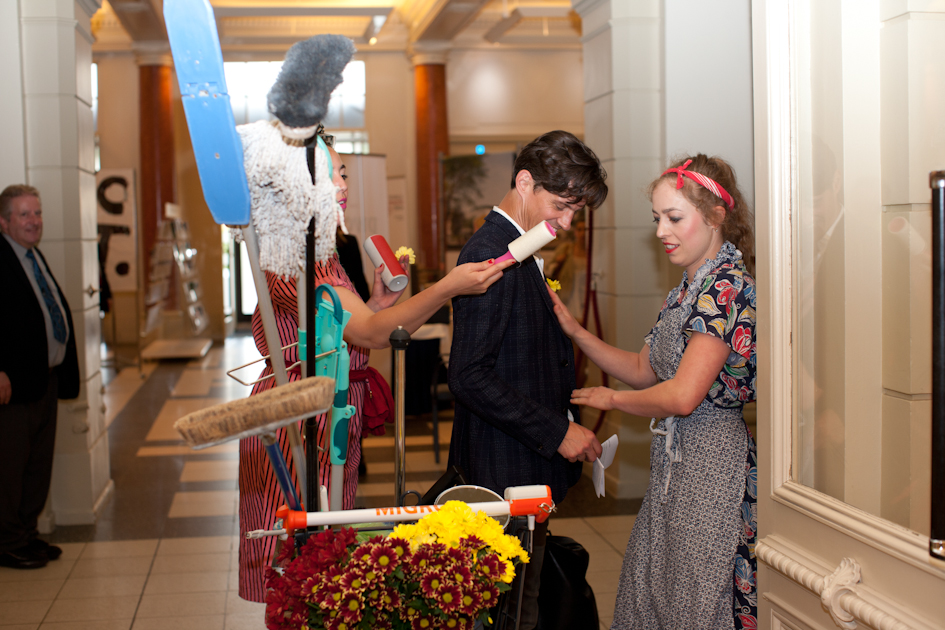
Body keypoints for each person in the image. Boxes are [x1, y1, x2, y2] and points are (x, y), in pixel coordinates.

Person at [238, 135, 515, 602]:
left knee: (326, 556)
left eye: (343, 172)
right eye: (332, 172)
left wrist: (378, 304)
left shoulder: (320, 249)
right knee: (297, 571)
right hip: (294, 426)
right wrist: (447, 287)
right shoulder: (291, 257)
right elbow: (368, 334)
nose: (342, 182)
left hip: (327, 414)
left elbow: (344, 326)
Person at [550, 154, 757, 629]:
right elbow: (646, 369)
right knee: (655, 588)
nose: (662, 231)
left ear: (716, 216)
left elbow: (682, 396)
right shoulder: (687, 287)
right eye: (657, 218)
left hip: (711, 465)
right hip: (676, 465)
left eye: (674, 218)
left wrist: (612, 399)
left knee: (694, 597)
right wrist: (575, 331)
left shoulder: (726, 289)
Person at [447, 130, 608, 630]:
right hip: (503, 472)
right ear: (524, 182)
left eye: (576, 212)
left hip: (522, 467)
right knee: (510, 612)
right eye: (561, 205)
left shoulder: (521, 246)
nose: (566, 221)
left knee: (524, 606)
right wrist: (557, 431)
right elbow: (468, 374)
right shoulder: (490, 254)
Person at [0, 185, 79, 569]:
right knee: (9, 467)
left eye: (37, 213)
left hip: (43, 379)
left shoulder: (31, 255)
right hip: (12, 387)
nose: (34, 222)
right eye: (24, 215)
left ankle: (27, 535)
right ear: (4, 221)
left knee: (36, 464)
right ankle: (8, 541)